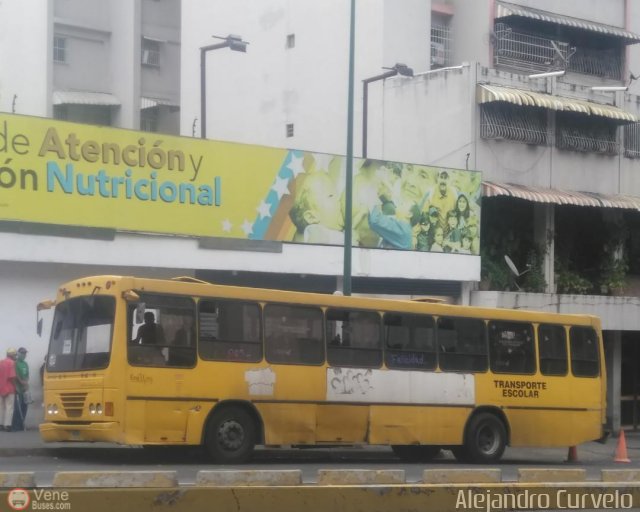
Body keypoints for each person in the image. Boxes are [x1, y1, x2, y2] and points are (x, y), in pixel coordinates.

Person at [289, 171, 344, 245]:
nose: (339, 198)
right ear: (311, 217)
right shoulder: (317, 234)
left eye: (337, 193)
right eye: (330, 195)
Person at [12, 347, 29, 432]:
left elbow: (27, 375)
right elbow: (15, 374)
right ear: (18, 354)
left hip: (25, 389)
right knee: (17, 408)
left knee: (24, 407)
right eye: (22, 353)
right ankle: (16, 426)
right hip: (18, 389)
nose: (24, 355)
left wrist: (26, 383)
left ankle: (22, 424)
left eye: (25, 353)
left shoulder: (25, 364)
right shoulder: (15, 363)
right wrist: (21, 382)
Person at [0, 348, 17, 432]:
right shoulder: (11, 363)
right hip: (9, 388)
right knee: (9, 407)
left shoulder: (1, 362)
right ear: (12, 355)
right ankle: (7, 425)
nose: (15, 356)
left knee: (1, 407)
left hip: (1, 387)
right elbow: (12, 377)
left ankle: (1, 424)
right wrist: (15, 386)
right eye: (15, 355)